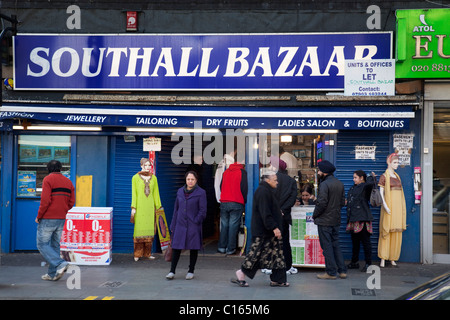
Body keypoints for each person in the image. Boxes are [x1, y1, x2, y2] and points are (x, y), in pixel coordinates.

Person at [230, 171, 289, 287]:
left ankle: (278, 279)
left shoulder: (267, 191)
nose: (277, 182)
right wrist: (274, 227)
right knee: (256, 254)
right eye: (275, 180)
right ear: (267, 180)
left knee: (277, 254)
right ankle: (241, 273)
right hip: (264, 232)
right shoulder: (263, 192)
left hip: (268, 231)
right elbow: (265, 212)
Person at [35, 160, 75, 281]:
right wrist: (63, 210)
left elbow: (45, 201)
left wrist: (39, 216)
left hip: (48, 218)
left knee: (42, 244)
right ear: (60, 169)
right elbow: (71, 202)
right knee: (55, 245)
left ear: (48, 169)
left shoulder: (48, 179)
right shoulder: (68, 181)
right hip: (61, 218)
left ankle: (60, 263)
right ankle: (52, 274)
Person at [166, 171, 207, 280]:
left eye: (192, 179)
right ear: (185, 180)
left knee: (193, 248)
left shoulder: (201, 192)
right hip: (180, 224)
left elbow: (203, 210)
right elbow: (176, 209)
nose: (190, 181)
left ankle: (191, 271)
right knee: (176, 247)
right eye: (188, 179)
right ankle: (172, 271)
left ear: (196, 180)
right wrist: (173, 225)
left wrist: (197, 220)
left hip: (193, 224)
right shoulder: (180, 191)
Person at [313, 160, 347, 280]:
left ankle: (331, 272)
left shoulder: (324, 185)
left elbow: (321, 203)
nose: (318, 172)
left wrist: (315, 215)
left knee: (327, 246)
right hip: (336, 220)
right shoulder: (339, 183)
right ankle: (342, 270)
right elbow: (343, 202)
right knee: (335, 245)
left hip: (324, 221)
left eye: (320, 170)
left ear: (324, 172)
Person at [266, 156, 297, 275]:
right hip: (284, 217)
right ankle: (287, 266)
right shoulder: (291, 181)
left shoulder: (269, 180)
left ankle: (270, 266)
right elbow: (292, 198)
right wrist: (283, 210)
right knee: (284, 242)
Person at [378, 153, 406, 268]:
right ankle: (383, 258)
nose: (396, 165)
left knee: (396, 232)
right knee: (386, 232)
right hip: (389, 208)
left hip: (398, 209)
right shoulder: (384, 176)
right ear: (389, 162)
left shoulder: (397, 176)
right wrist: (385, 206)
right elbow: (381, 192)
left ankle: (393, 258)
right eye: (394, 162)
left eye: (397, 162)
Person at [131, 157, 162, 261]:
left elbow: (156, 194)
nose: (148, 167)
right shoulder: (135, 178)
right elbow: (134, 194)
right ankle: (137, 254)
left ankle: (148, 253)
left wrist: (158, 207)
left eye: (149, 165)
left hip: (150, 208)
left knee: (150, 231)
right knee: (138, 231)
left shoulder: (154, 178)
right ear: (141, 166)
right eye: (146, 165)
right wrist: (133, 207)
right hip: (140, 208)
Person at [346, 170, 375, 272]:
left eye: (355, 177)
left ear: (361, 178)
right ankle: (354, 262)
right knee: (355, 242)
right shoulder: (354, 187)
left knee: (366, 242)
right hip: (354, 219)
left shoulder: (365, 187)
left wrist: (369, 176)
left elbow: (371, 183)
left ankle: (368, 264)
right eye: (353, 177)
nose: (353, 179)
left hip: (362, 219)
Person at [218, 161, 248, 255]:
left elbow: (220, 186)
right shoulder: (242, 172)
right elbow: (244, 188)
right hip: (236, 202)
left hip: (224, 201)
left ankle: (222, 247)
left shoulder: (226, 172)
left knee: (224, 225)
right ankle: (230, 249)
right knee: (233, 226)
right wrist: (245, 200)